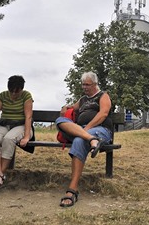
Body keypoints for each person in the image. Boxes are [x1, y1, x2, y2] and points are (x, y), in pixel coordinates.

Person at [55, 71, 113, 207]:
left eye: (87, 84)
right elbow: (71, 107)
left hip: (100, 129)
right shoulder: (82, 100)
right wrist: (65, 107)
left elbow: (103, 114)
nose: (85, 87)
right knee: (59, 120)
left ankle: (72, 190)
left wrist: (86, 129)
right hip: (85, 131)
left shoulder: (103, 96)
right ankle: (92, 140)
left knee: (79, 140)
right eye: (83, 85)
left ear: (95, 84)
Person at [0, 75, 34, 189]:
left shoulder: (26, 96)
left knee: (9, 139)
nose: (13, 94)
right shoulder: (2, 96)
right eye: (11, 91)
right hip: (4, 125)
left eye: (16, 92)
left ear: (21, 89)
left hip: (21, 125)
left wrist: (26, 136)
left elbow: (28, 117)